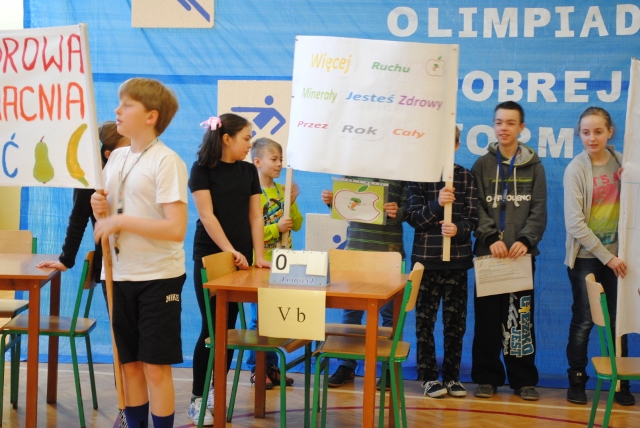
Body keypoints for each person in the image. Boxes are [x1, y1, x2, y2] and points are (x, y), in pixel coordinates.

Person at [90, 78, 187, 428]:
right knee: (128, 366)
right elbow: (109, 214)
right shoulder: (115, 157)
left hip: (158, 277)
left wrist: (120, 221)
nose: (117, 110)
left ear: (151, 116)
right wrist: (98, 206)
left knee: (154, 367)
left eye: (127, 104)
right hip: (118, 274)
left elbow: (175, 229)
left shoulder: (166, 161)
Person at [36, 121, 130, 427]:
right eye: (126, 145)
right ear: (108, 153)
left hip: (145, 267)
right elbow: (78, 219)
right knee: (122, 338)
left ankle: (140, 405)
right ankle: (127, 408)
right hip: (113, 267)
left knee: (140, 341)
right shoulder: (93, 181)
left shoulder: (138, 171)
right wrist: (66, 259)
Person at [187, 113, 271, 425]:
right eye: (246, 138)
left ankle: (215, 391)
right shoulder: (201, 170)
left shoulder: (248, 171)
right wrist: (229, 250)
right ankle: (198, 398)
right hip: (211, 258)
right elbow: (206, 215)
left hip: (241, 260)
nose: (250, 144)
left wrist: (258, 255)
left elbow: (255, 216)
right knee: (212, 330)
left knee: (229, 330)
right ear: (226, 139)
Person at [471, 101, 547, 401]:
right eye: (499, 122)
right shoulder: (481, 165)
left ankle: (523, 380)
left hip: (520, 257)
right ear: (494, 125)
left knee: (520, 321)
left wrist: (526, 240)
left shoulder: (535, 166)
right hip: (488, 256)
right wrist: (490, 237)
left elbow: (539, 210)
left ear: (521, 128)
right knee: (487, 321)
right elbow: (475, 207)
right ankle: (486, 378)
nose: (504, 128)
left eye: (511, 123)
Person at [564, 106, 634, 406]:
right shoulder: (576, 169)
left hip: (619, 257)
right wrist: (607, 257)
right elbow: (575, 224)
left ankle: (620, 383)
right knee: (584, 320)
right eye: (585, 132)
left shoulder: (623, 163)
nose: (591, 138)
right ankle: (577, 381)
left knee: (619, 321)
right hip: (587, 258)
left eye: (598, 131)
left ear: (610, 132)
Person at [406, 126, 478, 398]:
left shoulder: (466, 177)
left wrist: (458, 229)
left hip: (457, 263)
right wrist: (437, 203)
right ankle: (428, 377)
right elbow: (415, 219)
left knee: (455, 325)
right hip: (426, 263)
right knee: (424, 323)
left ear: (457, 146)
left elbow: (473, 219)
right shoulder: (419, 177)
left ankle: (452, 377)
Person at [320, 179, 406, 388]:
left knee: (390, 315)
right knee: (351, 312)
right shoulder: (352, 170)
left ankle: (388, 368)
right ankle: (346, 365)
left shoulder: (401, 172)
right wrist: (333, 202)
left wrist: (399, 212)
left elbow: (412, 210)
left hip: (388, 255)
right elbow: (346, 207)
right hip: (356, 252)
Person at [245, 137, 303, 389]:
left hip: (284, 264)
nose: (279, 164)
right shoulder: (252, 193)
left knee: (275, 318)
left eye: (281, 159)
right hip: (261, 265)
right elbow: (250, 230)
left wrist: (291, 203)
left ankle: (270, 366)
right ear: (257, 162)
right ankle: (257, 368)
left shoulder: (281, 191)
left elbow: (296, 224)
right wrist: (274, 229)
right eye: (274, 159)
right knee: (260, 319)